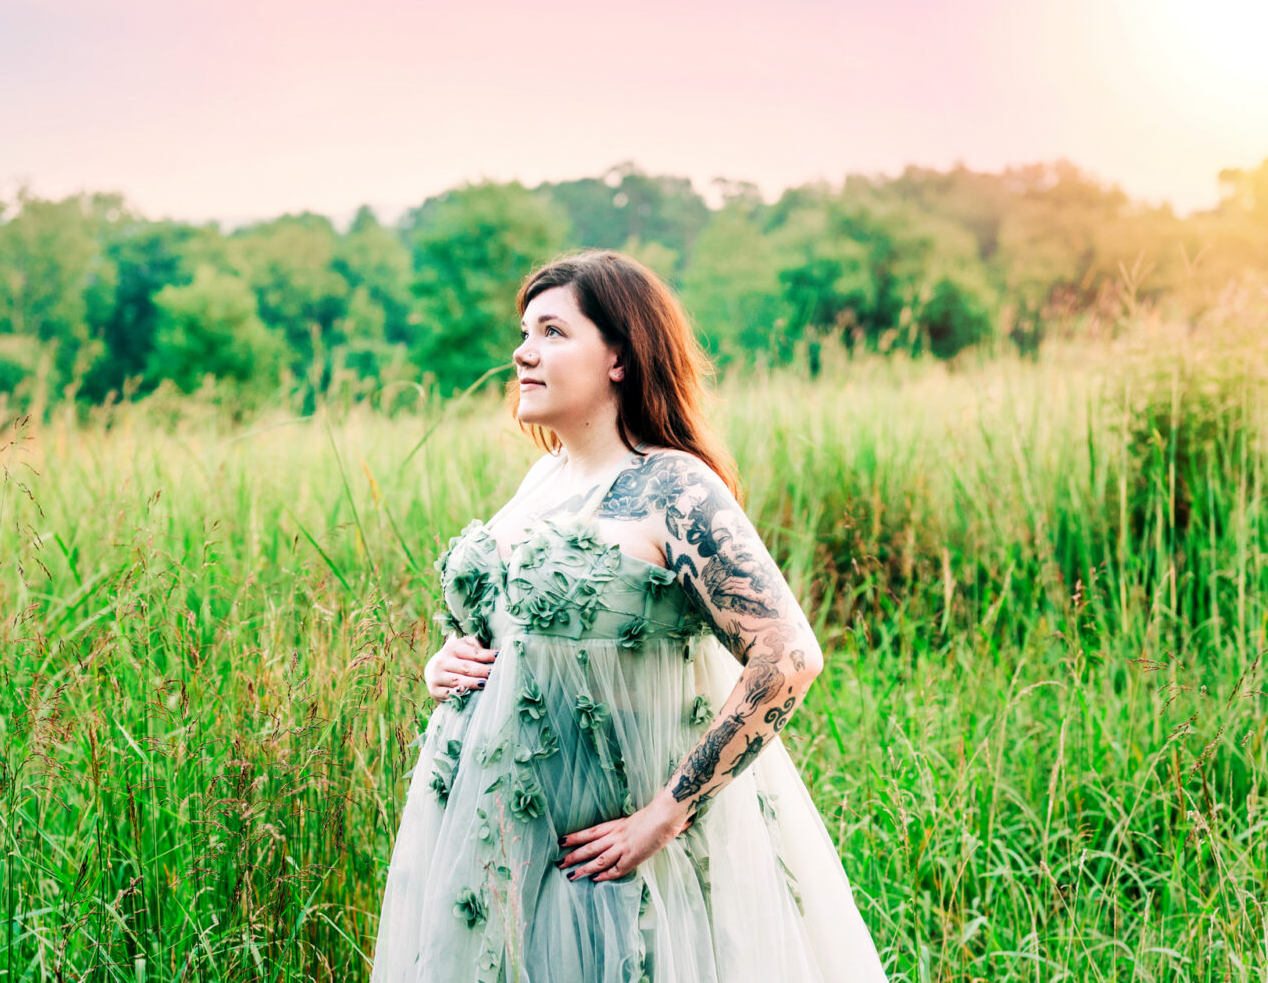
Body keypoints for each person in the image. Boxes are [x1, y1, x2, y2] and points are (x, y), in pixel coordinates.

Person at [370, 251, 886, 982]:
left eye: (553, 332)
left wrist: (665, 815)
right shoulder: (545, 476)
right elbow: (518, 624)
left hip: (603, 852)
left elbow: (789, 656)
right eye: (525, 331)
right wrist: (445, 660)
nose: (522, 352)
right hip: (493, 833)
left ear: (619, 356)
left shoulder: (672, 486)